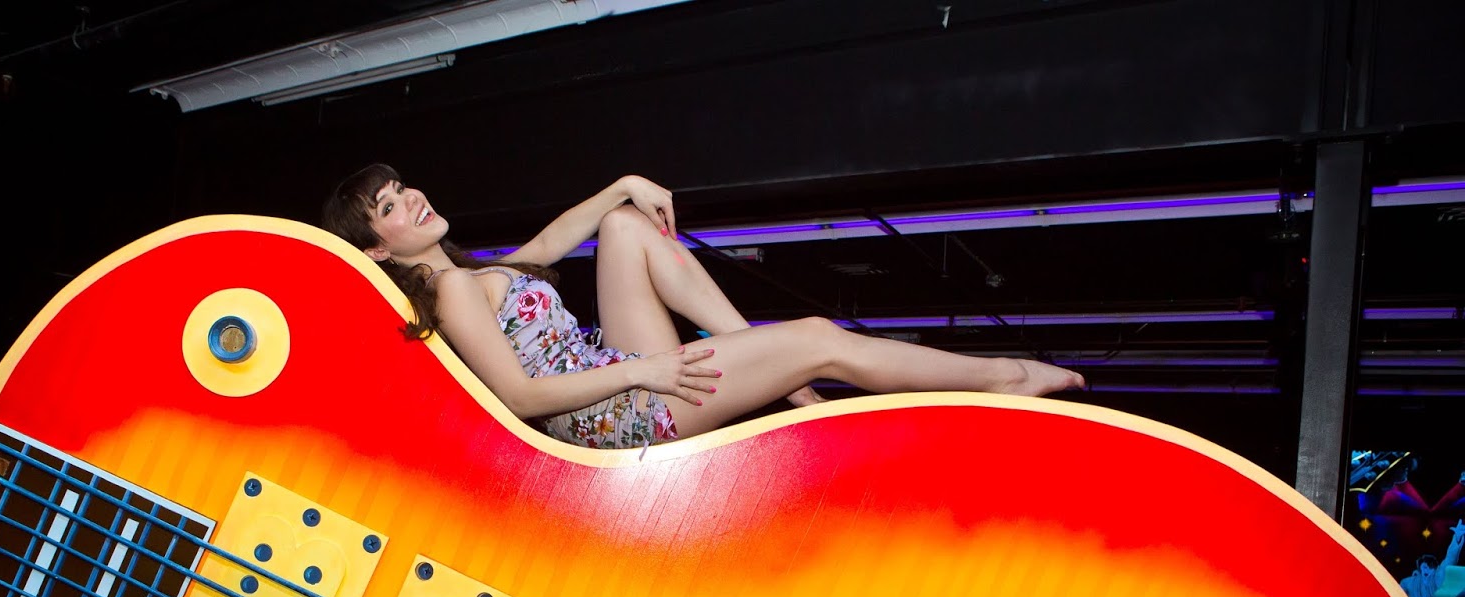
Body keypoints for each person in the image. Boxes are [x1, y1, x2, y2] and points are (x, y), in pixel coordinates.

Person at [321, 164, 1084, 449]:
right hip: (610, 414)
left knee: (625, 226)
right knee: (819, 335)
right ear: (378, 250)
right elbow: (519, 399)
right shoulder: (450, 294)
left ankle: (779, 374)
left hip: (616, 372)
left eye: (402, 188)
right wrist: (644, 372)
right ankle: (1002, 378)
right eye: (389, 207)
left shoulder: (471, 274)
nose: (410, 199)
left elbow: (551, 243)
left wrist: (623, 185)